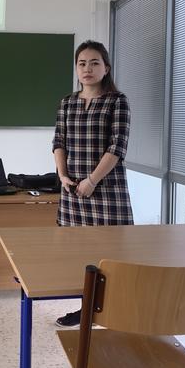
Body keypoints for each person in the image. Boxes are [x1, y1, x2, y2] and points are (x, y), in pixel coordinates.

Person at [53, 40, 133, 327]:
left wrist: (91, 180)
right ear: (76, 69)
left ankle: (114, 310)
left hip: (106, 190)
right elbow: (58, 142)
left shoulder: (117, 100)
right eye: (82, 63)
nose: (87, 68)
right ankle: (85, 309)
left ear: (106, 68)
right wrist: (63, 175)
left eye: (94, 62)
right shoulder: (67, 102)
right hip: (73, 191)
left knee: (110, 254)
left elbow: (117, 147)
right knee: (79, 254)